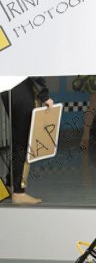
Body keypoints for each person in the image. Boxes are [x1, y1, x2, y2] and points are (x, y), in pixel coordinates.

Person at [1, 77, 53, 205]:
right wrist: (44, 95)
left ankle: (11, 184)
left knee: (18, 137)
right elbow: (34, 68)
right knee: (24, 141)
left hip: (6, 88)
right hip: (21, 87)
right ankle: (19, 192)